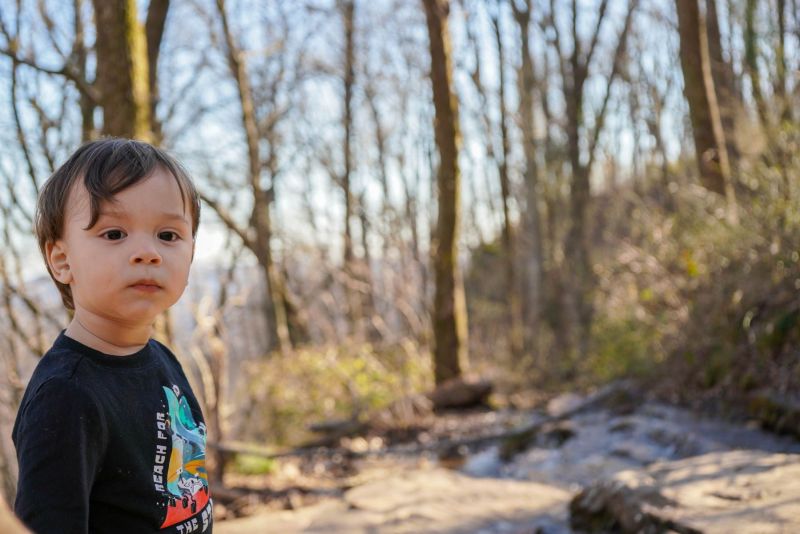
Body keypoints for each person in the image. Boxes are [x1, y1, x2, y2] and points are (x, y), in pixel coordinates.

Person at [12, 138, 213, 533]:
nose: (147, 252)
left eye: (168, 235)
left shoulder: (160, 358)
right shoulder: (66, 398)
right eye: (115, 233)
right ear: (62, 260)